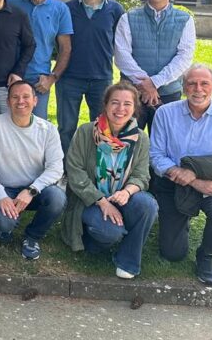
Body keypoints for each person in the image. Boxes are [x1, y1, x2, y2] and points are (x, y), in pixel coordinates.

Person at [149, 64, 212, 285]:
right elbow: (156, 156)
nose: (198, 89)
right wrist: (193, 181)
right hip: (173, 183)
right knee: (172, 253)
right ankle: (179, 222)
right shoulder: (165, 113)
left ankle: (207, 255)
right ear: (184, 87)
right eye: (192, 83)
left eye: (204, 83)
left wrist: (200, 179)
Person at [61, 82, 158, 279]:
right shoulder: (86, 132)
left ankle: (127, 261)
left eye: (127, 104)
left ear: (135, 108)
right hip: (89, 200)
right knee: (110, 233)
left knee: (148, 205)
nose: (120, 109)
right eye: (115, 102)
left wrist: (127, 192)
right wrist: (102, 202)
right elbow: (75, 172)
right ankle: (93, 241)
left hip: (122, 198)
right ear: (105, 104)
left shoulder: (140, 138)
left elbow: (142, 175)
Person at [0, 81, 65, 260]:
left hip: (34, 189)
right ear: (8, 102)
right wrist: (0, 195)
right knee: (5, 224)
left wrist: (32, 190)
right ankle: (5, 226)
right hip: (4, 188)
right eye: (15, 97)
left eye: (26, 97)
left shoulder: (48, 129)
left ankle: (32, 236)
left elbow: (56, 167)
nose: (20, 101)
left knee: (57, 198)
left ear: (35, 101)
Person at [114, 0, 196, 130]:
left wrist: (155, 82)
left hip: (168, 94)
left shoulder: (185, 20)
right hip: (131, 94)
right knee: (126, 141)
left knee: (164, 142)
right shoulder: (128, 18)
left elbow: (184, 57)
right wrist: (144, 85)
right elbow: (122, 55)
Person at [57, 0, 126, 152]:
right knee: (66, 128)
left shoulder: (115, 10)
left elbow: (121, 44)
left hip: (101, 79)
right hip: (70, 78)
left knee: (103, 129)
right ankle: (66, 167)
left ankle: (99, 167)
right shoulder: (67, 9)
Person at [8, 0, 73, 118]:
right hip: (9, 75)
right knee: (6, 125)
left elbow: (65, 48)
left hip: (39, 80)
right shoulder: (10, 2)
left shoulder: (60, 9)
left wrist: (52, 78)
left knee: (37, 126)